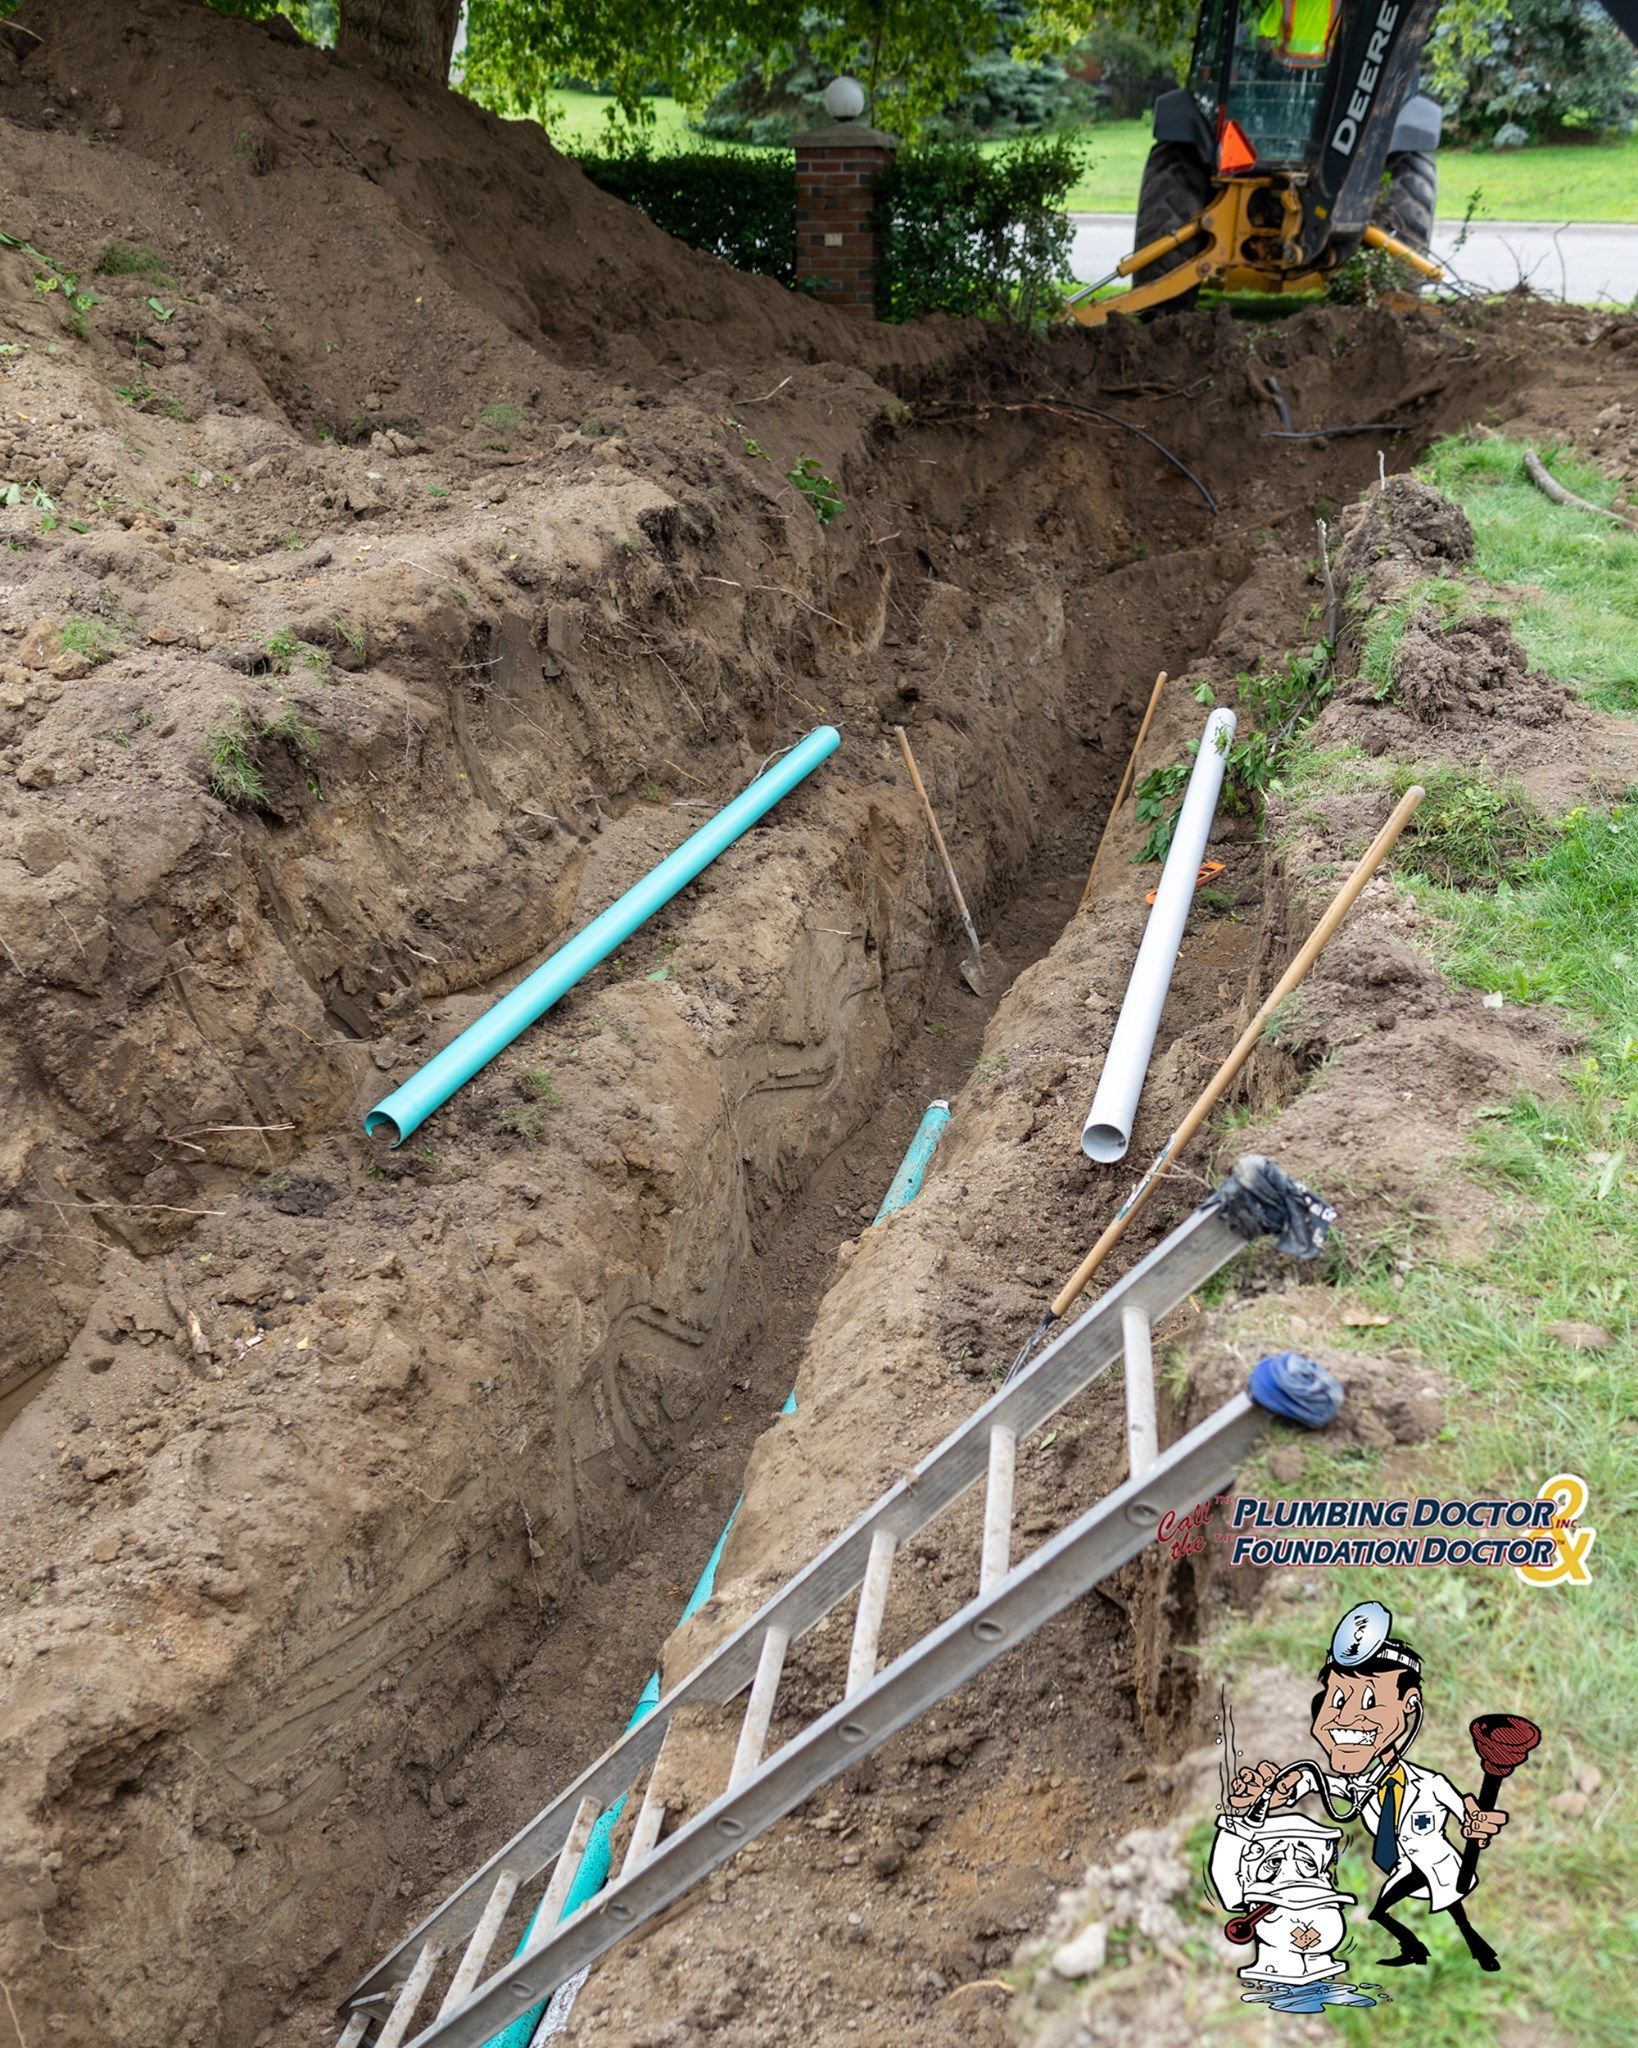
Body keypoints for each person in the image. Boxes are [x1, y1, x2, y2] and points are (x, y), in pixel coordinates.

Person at [1228, 1604, 1510, 1971]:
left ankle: (1456, 1948)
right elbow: (1321, 1781)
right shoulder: (1364, 1784)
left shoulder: (1432, 1785)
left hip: (1436, 1864)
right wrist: (1282, 1789)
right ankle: (1446, 1947)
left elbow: (1468, 1817)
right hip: (1409, 1867)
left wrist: (1476, 1824)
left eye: (1371, 1700)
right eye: (1337, 1700)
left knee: (1400, 1909)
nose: (1344, 1717)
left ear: (1410, 1707)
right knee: (1414, 1909)